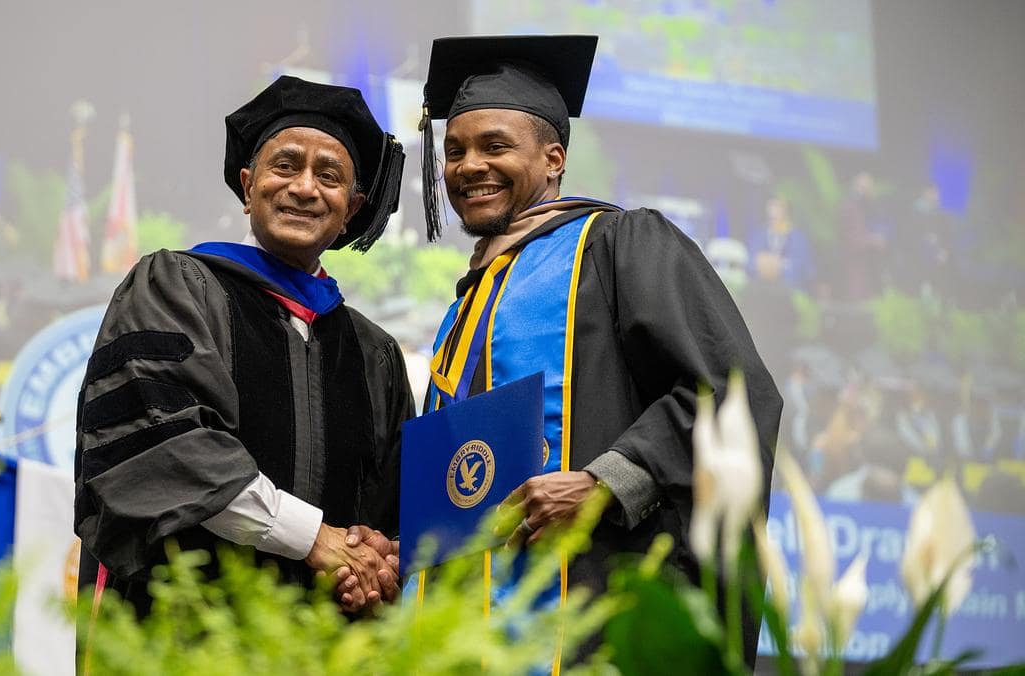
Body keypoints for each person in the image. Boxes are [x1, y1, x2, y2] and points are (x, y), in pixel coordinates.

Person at [415, 35, 782, 664]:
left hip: (596, 616)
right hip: (478, 639)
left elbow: (732, 392)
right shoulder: (465, 307)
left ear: (554, 158)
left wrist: (603, 483)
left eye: (494, 146)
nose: (467, 165)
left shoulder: (619, 242)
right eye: (454, 151)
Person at [74, 76, 413, 619]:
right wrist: (315, 540)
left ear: (351, 209)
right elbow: (163, 446)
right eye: (286, 166)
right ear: (248, 184)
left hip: (322, 642)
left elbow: (386, 509)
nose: (304, 187)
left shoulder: (374, 354)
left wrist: (370, 568)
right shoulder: (175, 286)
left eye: (329, 176)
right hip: (184, 627)